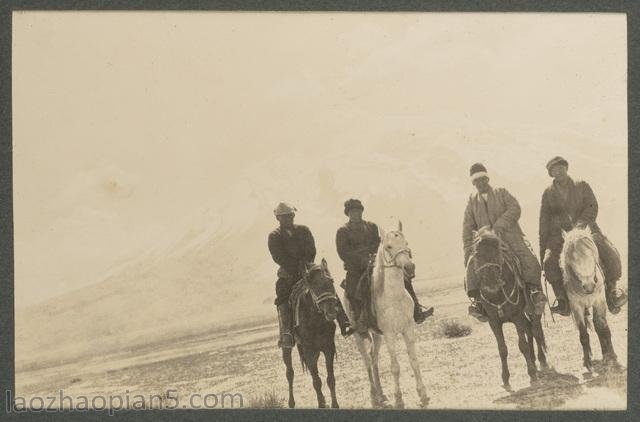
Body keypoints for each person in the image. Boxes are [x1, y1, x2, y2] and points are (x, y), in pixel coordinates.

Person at [539, 156, 627, 315]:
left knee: (609, 252)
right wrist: (543, 248)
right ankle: (562, 299)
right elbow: (544, 220)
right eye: (554, 170)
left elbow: (592, 206)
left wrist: (580, 225)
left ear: (566, 168)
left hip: (586, 229)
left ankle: (612, 292)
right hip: (560, 236)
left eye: (561, 167)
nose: (558, 171)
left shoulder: (582, 185)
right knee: (549, 262)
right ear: (551, 174)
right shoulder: (548, 193)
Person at [463, 163, 547, 321]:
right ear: (473, 183)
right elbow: (467, 226)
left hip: (509, 237)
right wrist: (468, 249)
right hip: (486, 244)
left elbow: (515, 208)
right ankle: (477, 302)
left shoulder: (501, 193)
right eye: (476, 181)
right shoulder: (472, 201)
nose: (480, 183)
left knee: (528, 259)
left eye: (483, 179)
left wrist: (498, 226)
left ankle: (534, 292)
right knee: (471, 266)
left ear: (487, 179)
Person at [336, 199, 433, 334]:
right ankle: (359, 320)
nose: (356, 214)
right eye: (352, 212)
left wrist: (376, 257)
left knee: (404, 278)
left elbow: (380, 245)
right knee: (353, 289)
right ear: (348, 214)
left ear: (362, 211)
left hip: (376, 264)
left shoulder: (371, 227)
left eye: (358, 211)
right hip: (356, 268)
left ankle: (417, 310)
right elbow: (343, 253)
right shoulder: (343, 231)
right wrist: (363, 259)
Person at [268, 202, 353, 348]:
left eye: (289, 216)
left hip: (308, 268)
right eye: (283, 217)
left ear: (293, 215)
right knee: (283, 299)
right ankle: (287, 332)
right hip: (289, 273)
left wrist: (306, 263)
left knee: (326, 284)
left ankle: (343, 321)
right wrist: (295, 267)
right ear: (278, 218)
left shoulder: (304, 230)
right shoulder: (274, 236)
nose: (287, 219)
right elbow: (278, 256)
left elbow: (311, 249)